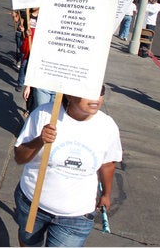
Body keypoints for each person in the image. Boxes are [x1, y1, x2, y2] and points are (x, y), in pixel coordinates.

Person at [13, 85, 122, 246]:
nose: (95, 99)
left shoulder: (107, 126)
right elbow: (19, 157)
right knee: (28, 242)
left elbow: (107, 164)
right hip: (32, 205)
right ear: (69, 95)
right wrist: (40, 140)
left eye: (100, 94)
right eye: (88, 93)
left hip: (76, 216)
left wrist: (106, 194)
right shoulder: (44, 115)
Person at [16, 7, 39, 92]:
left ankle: (32, 85)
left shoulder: (43, 16)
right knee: (23, 64)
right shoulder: (27, 14)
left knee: (33, 66)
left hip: (36, 44)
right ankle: (20, 83)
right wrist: (23, 30)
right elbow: (21, 27)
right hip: (26, 43)